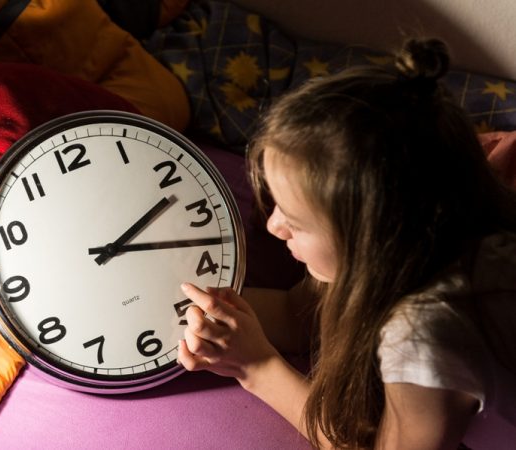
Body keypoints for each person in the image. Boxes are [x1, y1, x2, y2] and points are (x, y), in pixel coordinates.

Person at [177, 37, 516, 449]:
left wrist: (257, 367)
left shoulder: (428, 330)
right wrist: (185, 311)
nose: (273, 227)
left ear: (371, 239)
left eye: (295, 222)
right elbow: (297, 313)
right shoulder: (443, 219)